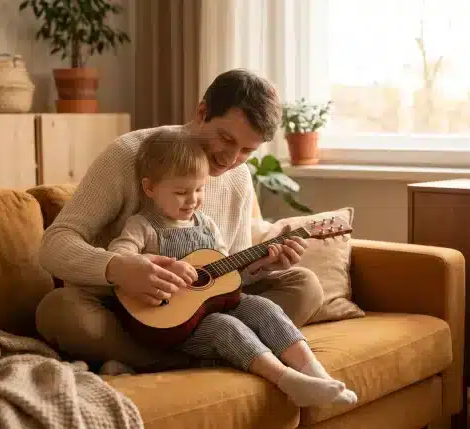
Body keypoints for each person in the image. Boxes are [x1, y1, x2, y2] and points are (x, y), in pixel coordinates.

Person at [34, 69, 324, 374]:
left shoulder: (238, 178)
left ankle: (176, 356)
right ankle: (218, 355)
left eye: (247, 151)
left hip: (204, 314)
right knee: (59, 311)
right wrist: (117, 268)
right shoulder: (128, 155)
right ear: (202, 112)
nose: (230, 158)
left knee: (304, 285)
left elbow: (227, 276)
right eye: (226, 138)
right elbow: (55, 243)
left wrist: (260, 265)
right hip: (128, 314)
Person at [104, 131, 356, 407]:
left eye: (199, 190)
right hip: (172, 324)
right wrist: (159, 267)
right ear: (150, 188)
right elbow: (118, 257)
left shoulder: (207, 225)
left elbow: (226, 278)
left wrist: (261, 265)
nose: (192, 200)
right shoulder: (142, 226)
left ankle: (316, 374)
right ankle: (288, 381)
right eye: (180, 192)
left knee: (264, 307)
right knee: (226, 326)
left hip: (216, 305)